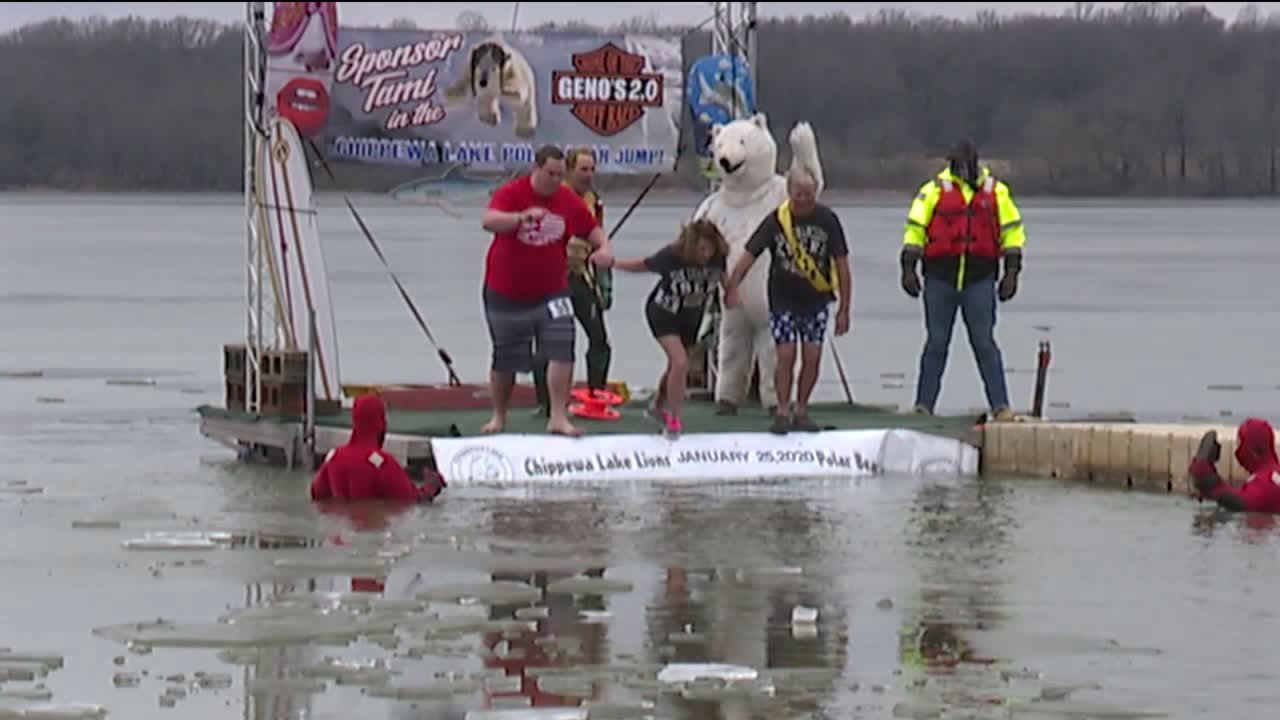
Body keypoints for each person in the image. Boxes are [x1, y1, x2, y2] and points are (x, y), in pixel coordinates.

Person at [481, 145, 614, 437]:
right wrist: (518, 219)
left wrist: (604, 248)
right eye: (550, 174)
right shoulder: (512, 193)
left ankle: (558, 416)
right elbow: (488, 220)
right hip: (506, 289)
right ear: (537, 168)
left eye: (559, 175)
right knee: (506, 357)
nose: (555, 180)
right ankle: (499, 416)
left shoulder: (567, 200)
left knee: (562, 345)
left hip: (552, 290)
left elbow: (592, 229)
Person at [900, 139, 1025, 422]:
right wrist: (908, 266)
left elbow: (1012, 231)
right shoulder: (932, 191)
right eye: (958, 161)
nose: (964, 167)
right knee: (936, 342)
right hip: (939, 278)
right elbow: (915, 229)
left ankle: (1001, 406)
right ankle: (923, 406)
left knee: (984, 342)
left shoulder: (996, 192)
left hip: (979, 279)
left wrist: (1012, 271)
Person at [724, 167, 851, 435]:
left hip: (816, 299)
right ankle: (782, 409)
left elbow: (842, 264)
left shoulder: (827, 220)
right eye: (799, 194)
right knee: (785, 354)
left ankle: (802, 410)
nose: (804, 199)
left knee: (813, 356)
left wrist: (845, 308)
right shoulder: (776, 221)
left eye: (809, 194)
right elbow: (749, 254)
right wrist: (732, 285)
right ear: (789, 192)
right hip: (783, 298)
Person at [601, 219, 732, 437]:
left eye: (709, 249)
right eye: (701, 249)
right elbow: (642, 265)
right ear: (692, 245)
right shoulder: (673, 256)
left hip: (691, 316)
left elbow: (724, 280)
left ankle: (657, 406)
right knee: (680, 362)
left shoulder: (718, 258)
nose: (705, 255)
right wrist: (613, 263)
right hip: (663, 312)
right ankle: (674, 419)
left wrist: (731, 292)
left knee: (676, 365)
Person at [532, 147, 612, 416]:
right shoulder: (555, 198)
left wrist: (602, 268)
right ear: (569, 170)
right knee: (548, 342)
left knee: (599, 338)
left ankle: (595, 396)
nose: (589, 175)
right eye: (583, 170)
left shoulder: (594, 200)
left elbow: (599, 237)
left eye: (592, 169)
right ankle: (545, 403)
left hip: (582, 277)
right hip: (553, 279)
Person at [310, 394, 445, 503]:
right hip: (370, 531)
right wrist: (432, 486)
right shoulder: (381, 463)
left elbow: (316, 493)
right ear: (381, 423)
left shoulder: (334, 457)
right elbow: (413, 501)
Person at [1189, 419, 1280, 513]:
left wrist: (1209, 482)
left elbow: (1242, 503)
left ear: (1254, 451)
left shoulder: (1269, 480)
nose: (1237, 451)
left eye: (1240, 444)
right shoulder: (1272, 475)